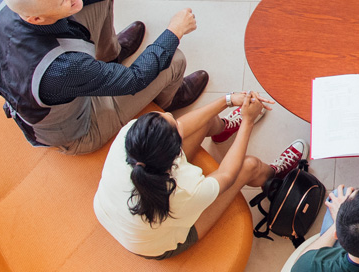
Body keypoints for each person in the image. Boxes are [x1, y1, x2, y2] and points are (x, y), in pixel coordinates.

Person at [0, 0, 209, 154]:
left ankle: (110, 58)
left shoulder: (12, 6)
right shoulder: (63, 68)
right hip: (81, 128)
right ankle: (165, 101)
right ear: (36, 18)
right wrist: (175, 31)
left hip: (68, 83)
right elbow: (134, 79)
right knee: (174, 59)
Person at [93, 90, 306, 259]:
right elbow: (228, 175)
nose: (170, 115)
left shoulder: (130, 135)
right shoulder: (185, 189)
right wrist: (247, 121)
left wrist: (228, 100)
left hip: (112, 212)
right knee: (248, 165)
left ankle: (223, 129)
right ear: (175, 156)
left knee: (202, 121)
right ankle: (273, 173)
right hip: (154, 245)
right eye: (173, 122)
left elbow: (182, 126)